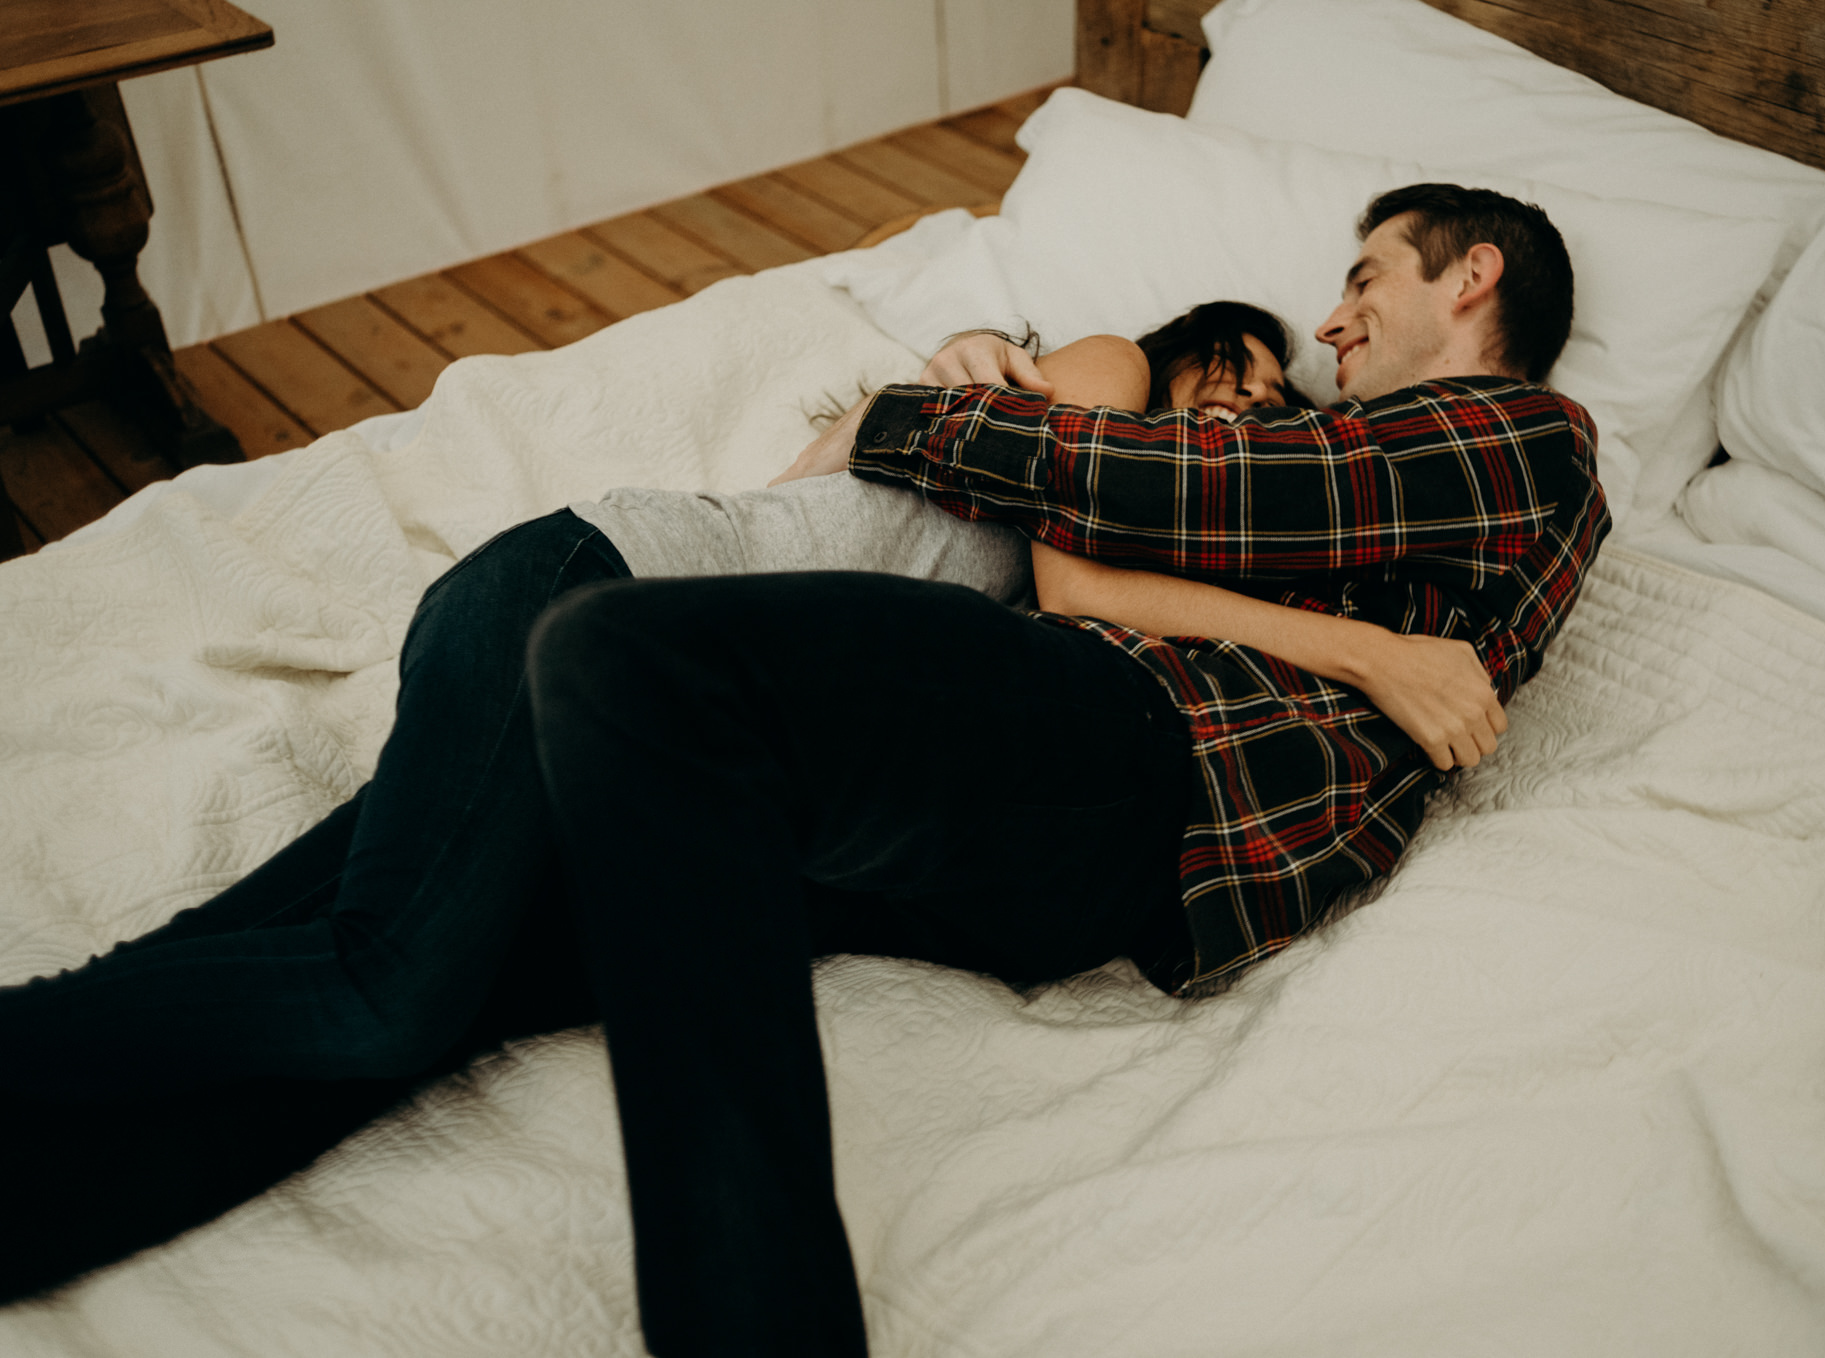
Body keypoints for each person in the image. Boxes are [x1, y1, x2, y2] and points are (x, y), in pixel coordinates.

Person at [0, 301, 1305, 1299]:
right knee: (380, 982)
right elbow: (1058, 539)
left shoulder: (1008, 501)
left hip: (631, 687)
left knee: (345, 992)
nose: (1240, 412)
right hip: (589, 599)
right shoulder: (1100, 383)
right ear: (1194, 352)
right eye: (1236, 377)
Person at [523, 181, 1608, 1354]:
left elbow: (1167, 489)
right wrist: (1358, 645)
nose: (1334, 322)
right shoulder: (1347, 471)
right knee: (538, 898)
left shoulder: (1530, 440)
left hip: (1136, 745)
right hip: (1061, 831)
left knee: (620, 648)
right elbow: (1102, 558)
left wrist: (906, 410)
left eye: (1365, 278)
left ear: (1473, 277)